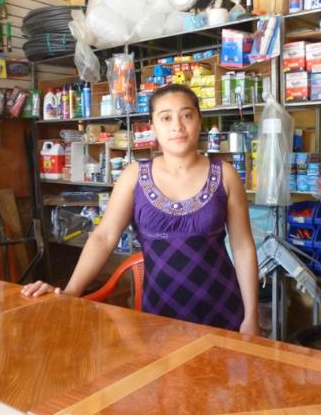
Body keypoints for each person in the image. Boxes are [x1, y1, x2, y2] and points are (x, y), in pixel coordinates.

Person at [22, 84, 259, 336]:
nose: (177, 126)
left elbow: (243, 247)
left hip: (224, 311)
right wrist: (70, 292)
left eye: (187, 115)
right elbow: (104, 237)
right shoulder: (134, 176)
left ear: (199, 120)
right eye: (166, 118)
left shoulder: (225, 175)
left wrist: (251, 317)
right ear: (153, 127)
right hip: (159, 316)